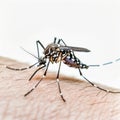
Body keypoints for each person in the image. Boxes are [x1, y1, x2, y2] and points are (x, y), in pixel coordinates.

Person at [0, 57, 120, 120]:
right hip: (60, 53)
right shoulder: (49, 54)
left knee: (62, 66)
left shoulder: (53, 54)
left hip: (66, 56)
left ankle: (62, 89)